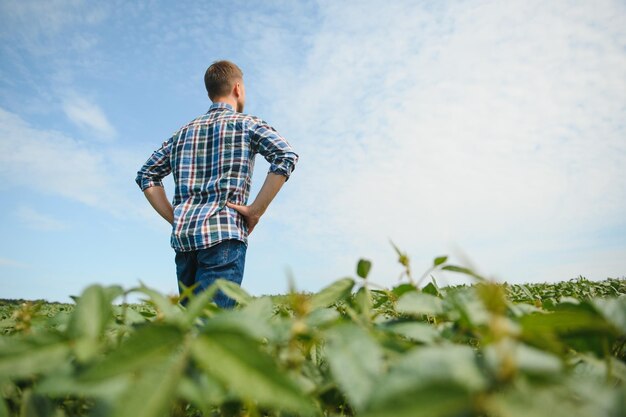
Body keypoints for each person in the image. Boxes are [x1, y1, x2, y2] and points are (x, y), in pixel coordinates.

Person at [135, 60, 298, 308]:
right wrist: (256, 210)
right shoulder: (248, 124)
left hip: (185, 242)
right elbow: (285, 155)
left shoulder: (182, 133)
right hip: (224, 235)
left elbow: (147, 174)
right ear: (237, 89)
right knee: (211, 328)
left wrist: (175, 216)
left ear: (210, 92)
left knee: (191, 324)